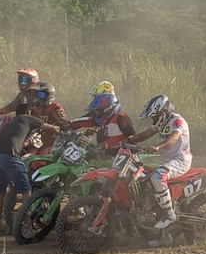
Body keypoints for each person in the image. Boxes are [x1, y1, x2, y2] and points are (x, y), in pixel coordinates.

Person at [0, 105, 62, 233]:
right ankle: (28, 225)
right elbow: (52, 128)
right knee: (26, 191)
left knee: (0, 192)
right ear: (28, 112)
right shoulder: (28, 119)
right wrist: (62, 129)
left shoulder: (10, 123)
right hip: (9, 157)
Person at [132, 94, 191, 229]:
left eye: (154, 116)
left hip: (181, 160)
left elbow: (174, 137)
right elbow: (144, 135)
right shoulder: (162, 123)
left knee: (158, 176)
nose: (153, 120)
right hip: (170, 161)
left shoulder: (177, 120)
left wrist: (158, 146)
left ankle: (169, 215)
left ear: (162, 111)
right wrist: (126, 142)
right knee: (145, 177)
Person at [68, 85, 136, 153]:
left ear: (108, 108)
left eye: (99, 111)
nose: (98, 115)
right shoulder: (103, 121)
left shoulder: (120, 118)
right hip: (106, 155)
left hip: (121, 155)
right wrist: (67, 125)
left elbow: (133, 138)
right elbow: (85, 121)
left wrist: (124, 149)